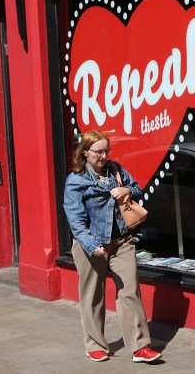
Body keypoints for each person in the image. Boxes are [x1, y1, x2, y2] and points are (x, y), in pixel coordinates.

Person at [63, 130, 162, 363]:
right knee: (93, 295)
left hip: (122, 241)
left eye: (106, 150)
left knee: (130, 291)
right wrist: (91, 245)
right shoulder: (76, 180)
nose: (104, 156)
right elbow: (75, 220)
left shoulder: (115, 169)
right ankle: (95, 345)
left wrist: (127, 190)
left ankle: (140, 347)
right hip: (92, 244)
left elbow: (136, 188)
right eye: (98, 152)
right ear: (85, 152)